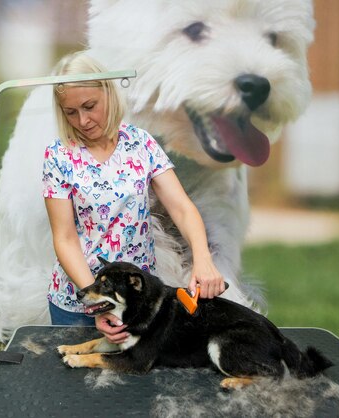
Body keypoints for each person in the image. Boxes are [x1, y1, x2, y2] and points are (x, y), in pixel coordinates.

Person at [42, 52, 224, 344]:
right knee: (74, 388)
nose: (83, 120)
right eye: (71, 112)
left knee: (133, 385)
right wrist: (97, 304)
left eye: (90, 106)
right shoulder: (58, 156)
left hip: (139, 301)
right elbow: (64, 238)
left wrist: (203, 260)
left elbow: (181, 208)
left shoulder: (141, 144)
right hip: (79, 300)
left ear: (108, 94)